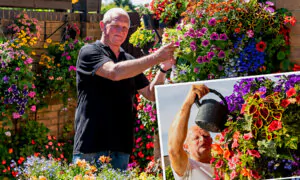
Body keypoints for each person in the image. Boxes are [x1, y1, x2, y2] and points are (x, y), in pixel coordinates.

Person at [72, 8, 176, 170]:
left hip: (121, 147)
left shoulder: (128, 60)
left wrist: (163, 69)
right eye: (116, 26)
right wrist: (156, 57)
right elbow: (114, 72)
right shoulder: (89, 52)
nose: (120, 31)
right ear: (102, 26)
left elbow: (150, 94)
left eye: (125, 28)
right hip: (91, 145)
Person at [168, 84, 214, 180]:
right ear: (186, 146)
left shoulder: (226, 163)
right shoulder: (186, 168)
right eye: (196, 138)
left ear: (211, 141)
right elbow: (173, 150)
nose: (202, 139)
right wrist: (187, 104)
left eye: (205, 136)